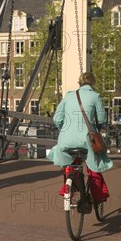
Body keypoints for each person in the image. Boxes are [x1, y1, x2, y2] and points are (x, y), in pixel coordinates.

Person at [48, 72, 112, 202]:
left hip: (66, 138)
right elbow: (101, 119)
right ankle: (98, 196)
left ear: (79, 83)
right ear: (93, 83)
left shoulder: (69, 96)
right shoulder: (95, 96)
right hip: (86, 138)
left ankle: (69, 188)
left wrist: (65, 129)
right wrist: (98, 127)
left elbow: (57, 118)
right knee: (94, 166)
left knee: (70, 163)